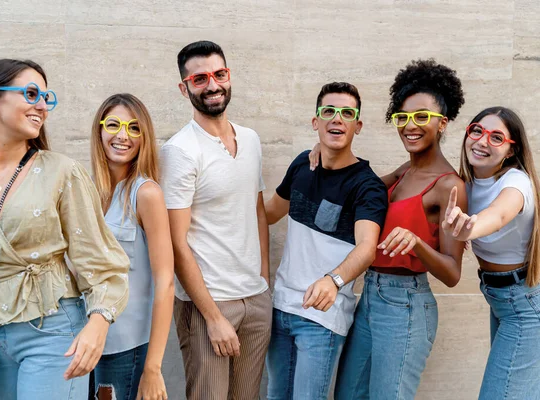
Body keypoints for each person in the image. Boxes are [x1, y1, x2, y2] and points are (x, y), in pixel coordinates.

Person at [0, 59, 129, 400]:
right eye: (30, 94)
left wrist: (98, 324)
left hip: (53, 331)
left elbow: (102, 263)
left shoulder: (62, 172)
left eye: (46, 97)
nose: (42, 106)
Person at [311, 59, 467, 399]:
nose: (410, 126)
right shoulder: (405, 172)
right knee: (348, 395)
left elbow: (453, 273)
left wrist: (417, 244)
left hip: (406, 306)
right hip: (370, 297)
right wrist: (326, 150)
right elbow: (356, 185)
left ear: (443, 123)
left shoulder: (448, 186)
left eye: (422, 117)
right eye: (403, 117)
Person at [159, 40, 271, 400]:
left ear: (228, 75)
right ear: (184, 87)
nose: (212, 85)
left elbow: (257, 211)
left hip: (254, 299)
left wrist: (263, 282)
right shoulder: (179, 151)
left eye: (219, 74)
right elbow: (176, 244)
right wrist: (213, 317)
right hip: (208, 304)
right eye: (200, 79)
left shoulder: (251, 139)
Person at [264, 82, 388, 400]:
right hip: (280, 309)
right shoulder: (302, 165)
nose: (337, 118)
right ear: (315, 121)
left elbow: (366, 247)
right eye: (328, 111)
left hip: (322, 318)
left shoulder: (367, 186)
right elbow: (267, 214)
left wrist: (333, 281)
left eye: (347, 113)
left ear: (357, 125)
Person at [443, 106, 540, 400]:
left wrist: (469, 229)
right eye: (477, 131)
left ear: (511, 150)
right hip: (501, 301)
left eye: (496, 137)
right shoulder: (465, 184)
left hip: (525, 308)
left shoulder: (516, 183)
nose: (482, 141)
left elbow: (497, 215)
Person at [89, 94, 174, 400]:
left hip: (125, 348)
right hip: (85, 341)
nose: (123, 135)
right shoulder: (90, 192)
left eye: (134, 128)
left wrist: (153, 367)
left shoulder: (146, 193)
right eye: (114, 124)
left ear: (144, 137)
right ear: (100, 130)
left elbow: (165, 281)